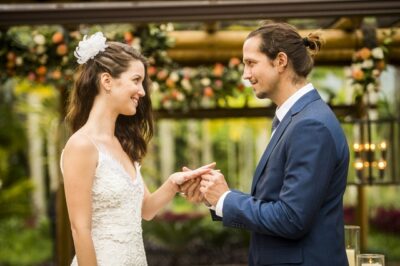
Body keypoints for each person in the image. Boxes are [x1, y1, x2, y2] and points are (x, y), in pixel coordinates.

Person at [184, 22, 350, 265]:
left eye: (251, 63)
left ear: (280, 61)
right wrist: (216, 197)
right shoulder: (296, 119)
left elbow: (292, 218)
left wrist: (227, 199)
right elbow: (278, 204)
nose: (245, 74)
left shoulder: (310, 125)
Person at [60, 32, 214, 266]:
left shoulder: (122, 145)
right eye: (136, 80)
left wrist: (174, 182)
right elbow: (80, 229)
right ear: (107, 81)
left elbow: (146, 210)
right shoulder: (82, 145)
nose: (142, 91)